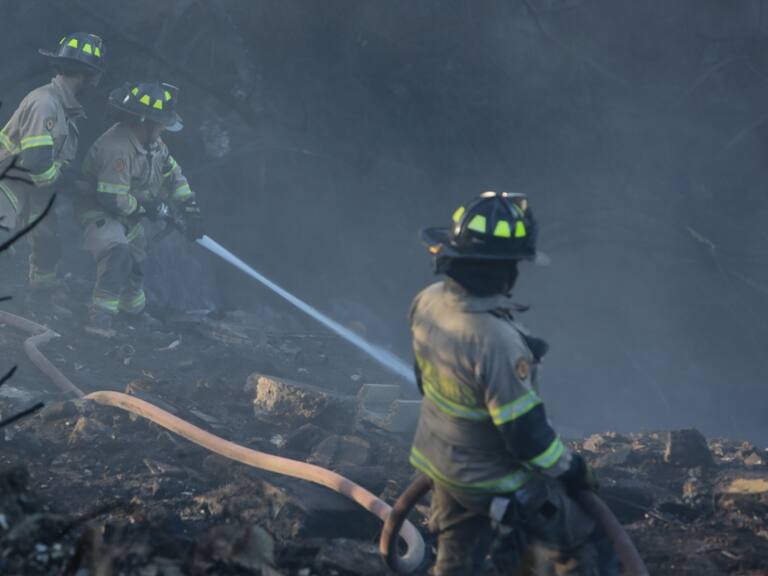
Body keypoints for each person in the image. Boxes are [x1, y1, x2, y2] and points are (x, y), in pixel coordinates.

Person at [409, 191, 618, 575]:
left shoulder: (428, 301)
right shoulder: (498, 341)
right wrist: (573, 469)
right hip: (496, 484)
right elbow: (526, 438)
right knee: (586, 538)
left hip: (441, 465)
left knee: (455, 566)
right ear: (503, 270)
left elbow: (424, 381)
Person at [79, 81, 204, 338]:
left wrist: (189, 208)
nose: (163, 129)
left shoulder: (154, 145)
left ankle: (132, 312)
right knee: (118, 252)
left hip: (130, 215)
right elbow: (111, 199)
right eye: (161, 124)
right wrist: (147, 208)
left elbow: (173, 174)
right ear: (143, 122)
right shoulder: (117, 148)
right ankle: (99, 318)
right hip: (100, 212)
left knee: (139, 263)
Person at [0, 32, 105, 292]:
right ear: (85, 74)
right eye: (95, 75)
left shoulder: (65, 108)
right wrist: (70, 184)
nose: (96, 82)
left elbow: (50, 162)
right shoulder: (45, 104)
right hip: (8, 182)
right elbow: (36, 163)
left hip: (32, 187)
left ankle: (41, 297)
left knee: (47, 244)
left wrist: (71, 180)